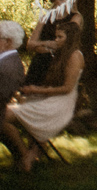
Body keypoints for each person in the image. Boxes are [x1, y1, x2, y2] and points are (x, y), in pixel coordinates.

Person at [4, 14, 84, 172]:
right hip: (50, 96)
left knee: (3, 115)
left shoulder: (75, 56)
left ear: (70, 38)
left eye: (60, 37)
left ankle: (25, 155)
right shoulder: (61, 53)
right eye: (56, 36)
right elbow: (32, 46)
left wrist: (36, 90)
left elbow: (67, 88)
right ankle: (26, 154)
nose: (56, 40)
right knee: (6, 113)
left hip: (60, 103)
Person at [24, 0, 73, 87]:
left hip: (58, 66)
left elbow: (67, 47)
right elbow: (30, 44)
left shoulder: (74, 19)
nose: (64, 1)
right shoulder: (45, 17)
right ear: (55, 0)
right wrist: (46, 44)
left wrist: (40, 48)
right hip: (39, 65)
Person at [0, 19, 31, 165]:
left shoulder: (9, 66)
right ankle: (22, 157)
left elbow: (2, 96)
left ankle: (23, 158)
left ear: (7, 41)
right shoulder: (7, 60)